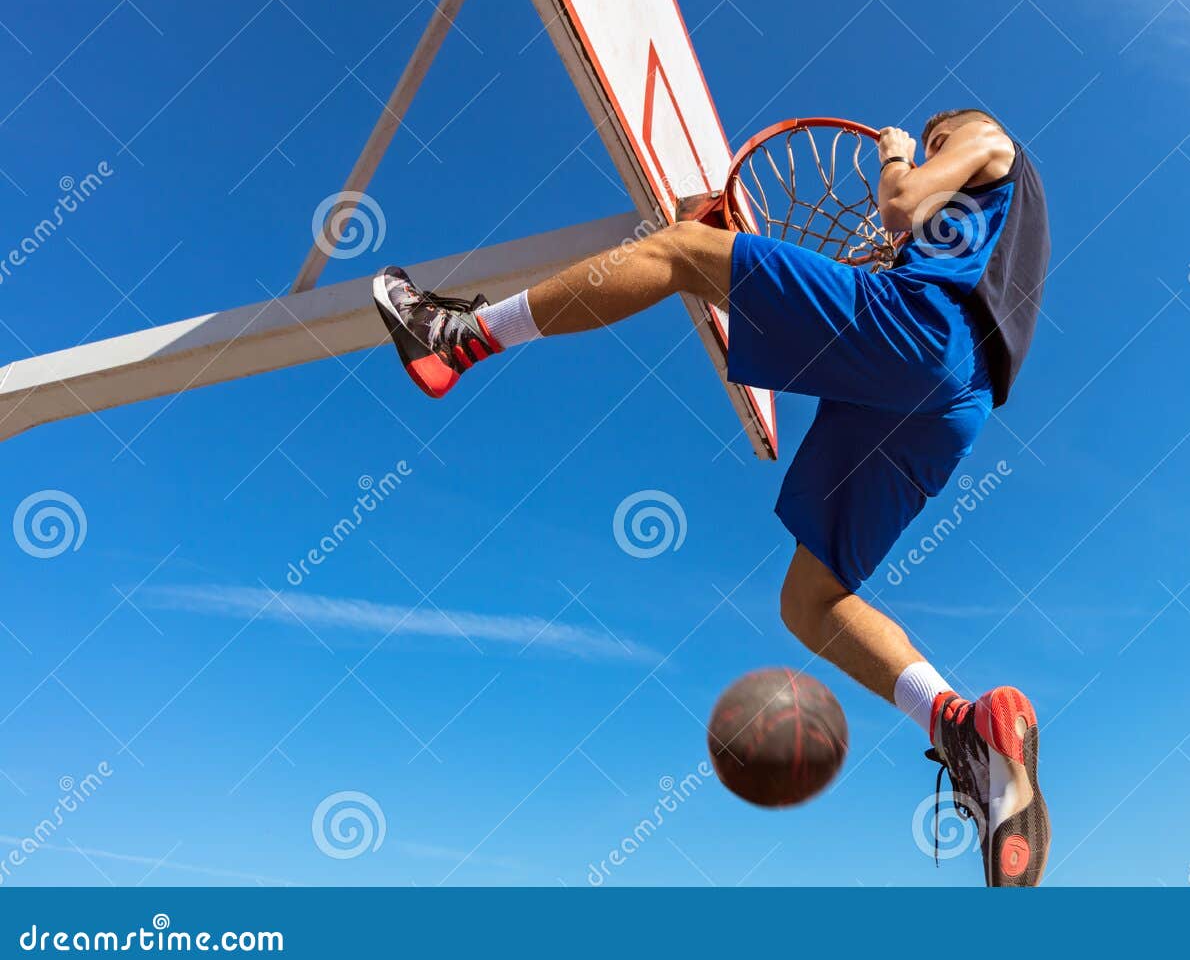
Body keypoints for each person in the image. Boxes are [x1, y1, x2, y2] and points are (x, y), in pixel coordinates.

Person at [372, 109, 1052, 885]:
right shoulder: (988, 240)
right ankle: (964, 730)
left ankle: (460, 335)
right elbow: (895, 263)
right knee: (811, 601)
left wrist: (902, 160)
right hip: (956, 397)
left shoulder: (988, 139)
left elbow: (900, 206)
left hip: (928, 335)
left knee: (682, 252)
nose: (933, 147)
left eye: (940, 137)